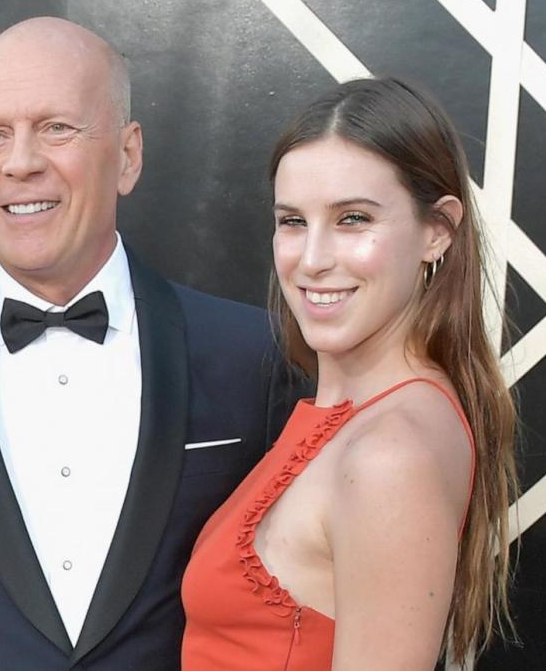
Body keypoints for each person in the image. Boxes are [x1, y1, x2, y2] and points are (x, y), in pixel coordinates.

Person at [0, 17, 297, 669]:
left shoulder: (252, 354)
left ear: (128, 156)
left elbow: (283, 619)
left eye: (56, 128)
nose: (20, 163)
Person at [180, 77, 517, 669]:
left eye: (353, 218)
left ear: (436, 231)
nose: (312, 259)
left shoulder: (389, 453)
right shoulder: (356, 417)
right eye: (292, 221)